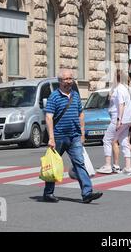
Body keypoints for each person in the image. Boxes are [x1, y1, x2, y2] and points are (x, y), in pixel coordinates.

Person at [43, 68, 103, 203]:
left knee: (80, 163)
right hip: (58, 137)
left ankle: (87, 193)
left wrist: (82, 133)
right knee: (53, 165)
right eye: (66, 79)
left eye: (71, 79)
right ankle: (48, 193)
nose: (69, 82)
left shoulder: (75, 95)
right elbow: (48, 117)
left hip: (74, 136)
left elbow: (81, 114)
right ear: (60, 81)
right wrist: (51, 138)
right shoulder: (54, 97)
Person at [97, 69, 131, 175]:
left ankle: (108, 165)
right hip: (127, 119)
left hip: (119, 119)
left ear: (116, 78)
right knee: (123, 141)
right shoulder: (125, 89)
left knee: (106, 140)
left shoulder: (119, 89)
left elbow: (121, 104)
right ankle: (128, 167)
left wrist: (119, 120)